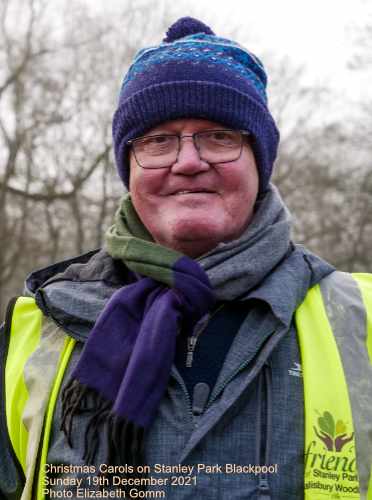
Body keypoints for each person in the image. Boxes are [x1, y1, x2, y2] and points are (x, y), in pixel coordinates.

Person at [1, 16, 371, 500]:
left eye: (219, 135)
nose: (189, 160)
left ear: (259, 161)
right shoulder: (35, 327)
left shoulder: (359, 319)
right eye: (157, 140)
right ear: (128, 167)